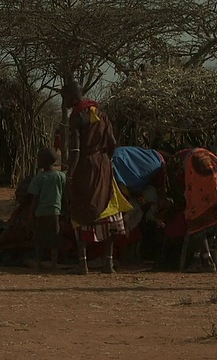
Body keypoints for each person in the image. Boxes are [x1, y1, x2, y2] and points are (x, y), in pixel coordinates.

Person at [62, 81, 132, 274]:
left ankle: (82, 264)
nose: (65, 102)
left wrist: (70, 175)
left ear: (73, 96)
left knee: (81, 211)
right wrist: (105, 162)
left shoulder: (77, 117)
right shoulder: (102, 115)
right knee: (107, 210)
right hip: (103, 166)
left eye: (65, 97)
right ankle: (108, 264)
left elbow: (75, 151)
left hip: (85, 166)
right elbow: (113, 143)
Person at [28, 148, 67, 272]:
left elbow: (35, 199)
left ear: (43, 162)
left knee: (39, 239)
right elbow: (64, 196)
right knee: (54, 238)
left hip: (40, 213)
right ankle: (54, 264)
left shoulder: (38, 179)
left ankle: (39, 263)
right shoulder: (61, 176)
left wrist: (31, 214)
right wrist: (65, 210)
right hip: (55, 212)